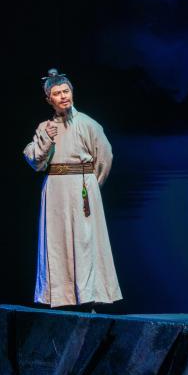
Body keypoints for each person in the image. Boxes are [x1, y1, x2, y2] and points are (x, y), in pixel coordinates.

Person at [23, 68, 123, 312]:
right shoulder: (45, 127)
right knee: (57, 243)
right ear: (49, 99)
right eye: (57, 93)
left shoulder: (88, 123)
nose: (63, 96)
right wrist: (46, 139)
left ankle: (88, 296)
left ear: (72, 93)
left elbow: (105, 157)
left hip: (82, 188)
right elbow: (35, 161)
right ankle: (60, 297)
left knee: (85, 241)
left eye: (66, 91)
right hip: (56, 190)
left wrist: (92, 185)